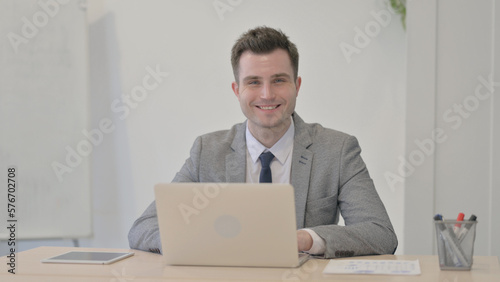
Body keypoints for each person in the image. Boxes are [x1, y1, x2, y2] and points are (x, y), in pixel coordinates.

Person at [128, 26, 397, 258]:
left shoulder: (337, 150)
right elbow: (143, 228)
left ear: (297, 86)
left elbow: (380, 233)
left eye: (278, 80)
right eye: (253, 82)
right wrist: (198, 242)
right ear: (237, 90)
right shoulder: (207, 152)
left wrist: (305, 239)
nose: (267, 94)